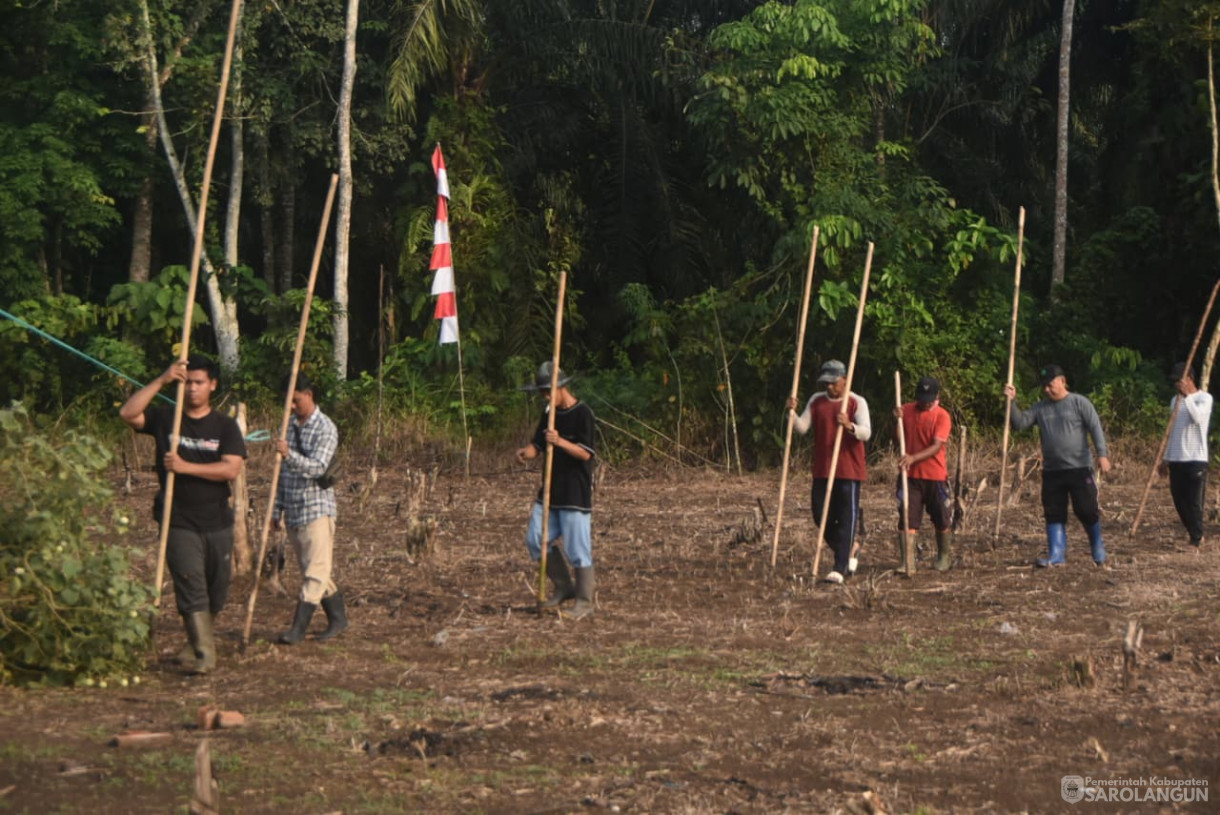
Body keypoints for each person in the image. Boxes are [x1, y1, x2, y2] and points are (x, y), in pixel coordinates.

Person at [119, 356, 247, 673]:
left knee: (217, 591)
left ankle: (193, 645)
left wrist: (185, 466)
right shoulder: (166, 418)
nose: (192, 389)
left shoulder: (224, 426)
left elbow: (231, 468)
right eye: (188, 382)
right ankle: (205, 657)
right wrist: (162, 379)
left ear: (212, 385)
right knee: (191, 584)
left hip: (216, 520)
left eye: (199, 382)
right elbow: (128, 413)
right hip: (177, 520)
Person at [1004, 364, 1111, 567]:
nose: (1046, 389)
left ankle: (1097, 545)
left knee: (1086, 509)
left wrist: (1102, 455)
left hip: (1079, 468)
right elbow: (1020, 423)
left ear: (1062, 381)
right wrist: (1011, 402)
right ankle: (1056, 554)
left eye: (1050, 384)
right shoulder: (1041, 408)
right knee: (1054, 511)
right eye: (1044, 386)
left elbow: (1095, 427)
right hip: (1053, 470)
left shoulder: (1080, 403)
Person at [516, 361, 597, 619]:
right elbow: (537, 445)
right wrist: (526, 454)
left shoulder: (584, 414)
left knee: (577, 548)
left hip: (574, 494)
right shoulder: (549, 412)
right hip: (550, 491)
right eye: (542, 393)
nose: (545, 397)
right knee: (535, 539)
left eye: (548, 391)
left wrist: (559, 441)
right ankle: (564, 586)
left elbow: (585, 454)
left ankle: (585, 601)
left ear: (562, 386)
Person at [273, 373, 348, 644]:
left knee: (315, 571)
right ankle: (339, 619)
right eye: (287, 403)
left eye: (296, 401)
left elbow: (317, 467)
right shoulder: (288, 427)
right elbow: (282, 474)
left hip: (317, 508)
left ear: (309, 395)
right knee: (314, 571)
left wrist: (289, 454)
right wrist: (276, 510)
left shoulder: (326, 428)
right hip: (293, 510)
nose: (291, 407)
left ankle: (297, 630)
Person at [787, 359, 872, 583]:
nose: (829, 387)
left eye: (833, 383)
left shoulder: (856, 402)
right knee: (820, 515)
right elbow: (802, 428)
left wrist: (849, 426)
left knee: (846, 518)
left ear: (844, 380)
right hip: (823, 469)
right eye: (826, 383)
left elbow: (866, 432)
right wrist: (792, 413)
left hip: (849, 470)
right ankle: (849, 547)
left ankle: (840, 567)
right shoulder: (817, 401)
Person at [895, 376, 955, 572]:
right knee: (907, 517)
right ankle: (907, 562)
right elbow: (897, 436)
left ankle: (943, 557)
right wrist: (896, 420)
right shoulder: (906, 410)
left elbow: (936, 447)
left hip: (935, 476)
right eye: (921, 398)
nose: (924, 402)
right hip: (910, 476)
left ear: (937, 396)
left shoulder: (942, 416)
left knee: (941, 518)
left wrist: (913, 458)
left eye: (928, 398)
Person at [1158, 362, 1213, 549]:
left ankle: (1197, 538)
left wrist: (1188, 396)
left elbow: (1197, 418)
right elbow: (1172, 432)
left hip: (1196, 458)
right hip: (1176, 458)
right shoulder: (1175, 401)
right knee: (1179, 501)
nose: (1176, 385)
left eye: (1179, 380)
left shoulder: (1204, 398)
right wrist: (1165, 458)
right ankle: (1193, 532)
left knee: (1194, 502)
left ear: (1189, 379)